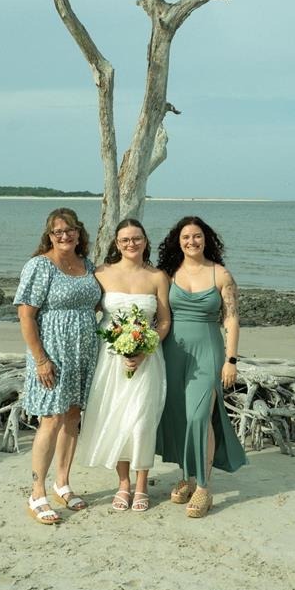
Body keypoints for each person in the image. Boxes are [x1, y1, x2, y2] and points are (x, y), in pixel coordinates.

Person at [13, 207, 101, 525]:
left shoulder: (88, 265)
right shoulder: (40, 265)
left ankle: (62, 482)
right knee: (50, 419)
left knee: (73, 416)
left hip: (83, 353)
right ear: (49, 236)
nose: (65, 235)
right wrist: (41, 359)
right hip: (51, 353)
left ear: (79, 232)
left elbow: (101, 303)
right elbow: (26, 316)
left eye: (70, 230)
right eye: (58, 231)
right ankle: (37, 493)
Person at [156, 215, 247, 518]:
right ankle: (187, 475)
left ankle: (204, 487)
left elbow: (231, 318)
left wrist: (231, 360)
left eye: (197, 236)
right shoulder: (168, 274)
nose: (191, 241)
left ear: (206, 239)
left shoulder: (221, 275)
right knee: (181, 416)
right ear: (178, 241)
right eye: (185, 237)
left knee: (199, 416)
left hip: (208, 351)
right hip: (173, 352)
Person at [77, 219, 170, 513]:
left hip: (148, 358)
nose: (132, 244)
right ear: (117, 243)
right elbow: (87, 310)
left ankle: (141, 485)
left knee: (141, 420)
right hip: (110, 358)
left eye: (137, 238)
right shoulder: (101, 273)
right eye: (125, 240)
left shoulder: (158, 276)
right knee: (116, 417)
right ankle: (123, 483)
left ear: (145, 240)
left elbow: (164, 321)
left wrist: (146, 348)